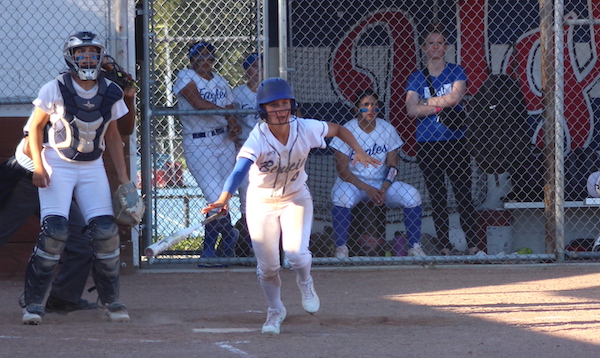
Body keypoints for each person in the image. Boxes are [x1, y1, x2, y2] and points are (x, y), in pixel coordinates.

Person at [202, 78, 381, 335]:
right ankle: (276, 310)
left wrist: (358, 150)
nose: (280, 109)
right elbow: (240, 169)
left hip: (295, 198)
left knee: (296, 253)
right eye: (273, 105)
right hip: (261, 203)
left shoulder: (304, 128)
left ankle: (305, 281)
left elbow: (339, 129)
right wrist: (224, 197)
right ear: (263, 109)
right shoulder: (258, 137)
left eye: (285, 103)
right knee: (268, 267)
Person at [22, 31, 133, 324]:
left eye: (93, 52)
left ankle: (111, 302)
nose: (87, 57)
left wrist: (124, 179)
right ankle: (33, 302)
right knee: (55, 232)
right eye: (81, 52)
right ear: (70, 57)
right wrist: (38, 167)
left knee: (106, 232)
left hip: (92, 165)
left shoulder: (110, 91)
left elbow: (112, 134)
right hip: (57, 163)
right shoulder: (55, 87)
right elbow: (34, 129)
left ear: (100, 57)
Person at [405, 27, 480, 255]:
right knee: (437, 195)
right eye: (431, 43)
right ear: (424, 48)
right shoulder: (416, 77)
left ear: (446, 47)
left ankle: (474, 245)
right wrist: (440, 104)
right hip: (429, 143)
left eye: (440, 43)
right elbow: (411, 109)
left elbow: (457, 96)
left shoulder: (457, 71)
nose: (435, 47)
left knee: (463, 194)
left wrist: (426, 102)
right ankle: (445, 246)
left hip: (456, 141)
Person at [331, 89, 425, 259]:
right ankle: (341, 249)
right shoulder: (346, 130)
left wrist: (384, 186)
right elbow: (343, 171)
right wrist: (367, 189)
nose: (370, 109)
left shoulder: (387, 129)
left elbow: (393, 164)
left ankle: (414, 247)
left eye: (374, 105)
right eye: (365, 105)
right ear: (356, 108)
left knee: (413, 196)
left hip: (380, 184)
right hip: (354, 184)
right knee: (341, 196)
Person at [173, 41, 241, 258]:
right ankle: (230, 235)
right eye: (199, 57)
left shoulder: (220, 81)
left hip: (223, 141)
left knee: (222, 198)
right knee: (214, 196)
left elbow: (231, 108)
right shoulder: (185, 75)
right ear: (191, 60)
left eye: (209, 57)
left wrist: (232, 122)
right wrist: (227, 115)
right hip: (198, 142)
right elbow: (198, 104)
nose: (205, 61)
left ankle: (210, 251)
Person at [231, 53, 261, 256]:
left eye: (261, 66)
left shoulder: (269, 91)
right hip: (245, 149)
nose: (258, 71)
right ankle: (250, 243)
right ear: (246, 70)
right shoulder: (238, 93)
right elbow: (231, 121)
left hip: (268, 151)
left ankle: (268, 243)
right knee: (246, 198)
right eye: (253, 66)